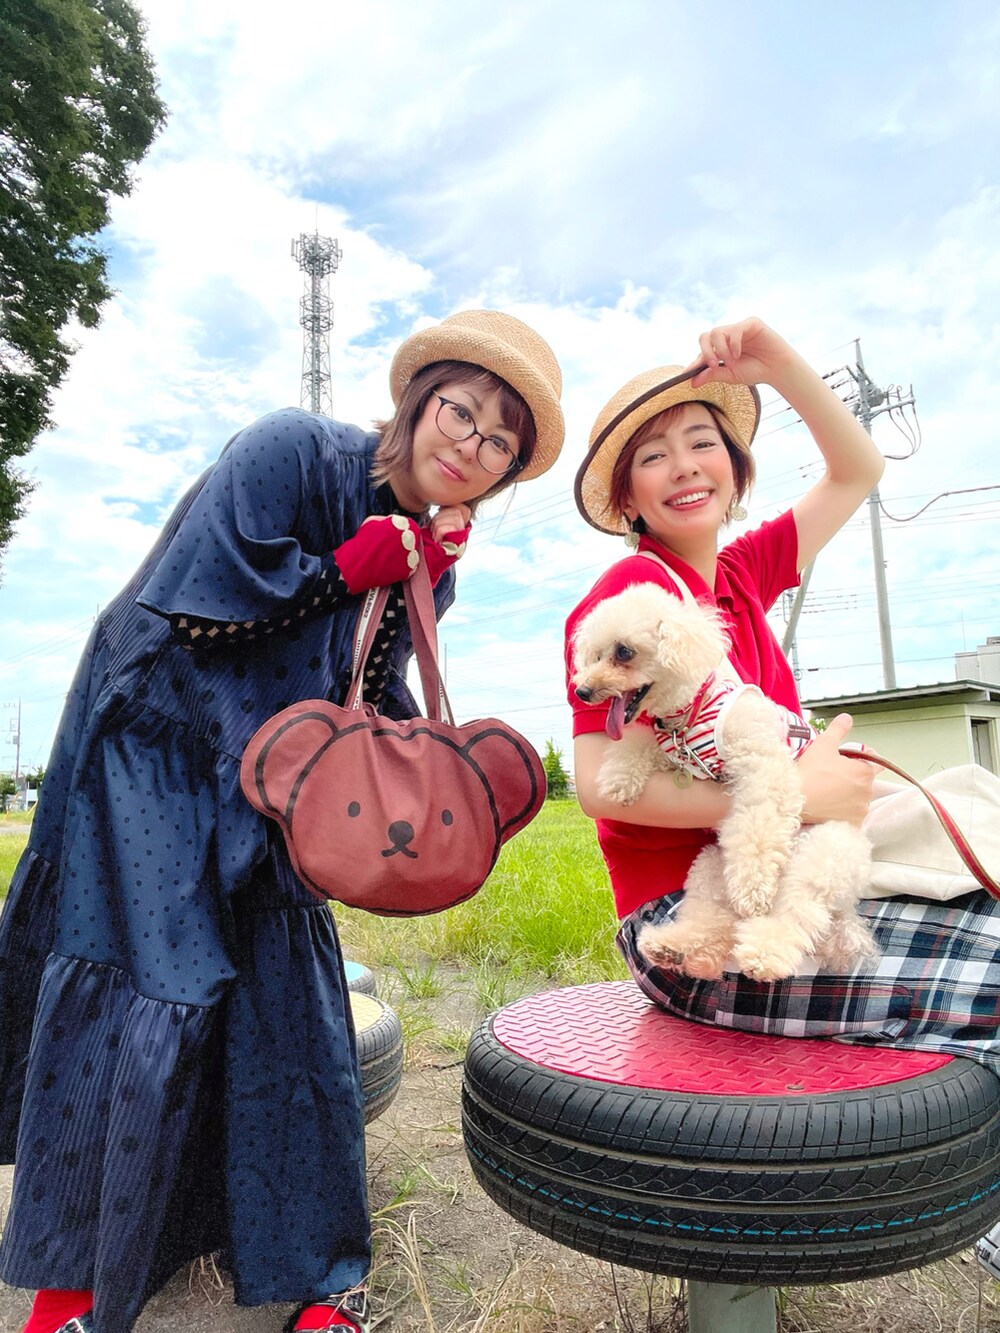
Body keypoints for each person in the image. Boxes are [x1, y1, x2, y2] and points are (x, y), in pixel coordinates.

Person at [0, 309, 564, 1333]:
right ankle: (75, 1290)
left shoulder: (438, 560)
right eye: (461, 411)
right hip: (153, 745)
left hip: (281, 778)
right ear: (417, 397)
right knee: (146, 993)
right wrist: (353, 564)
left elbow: (367, 687)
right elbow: (203, 612)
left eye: (499, 444)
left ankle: (317, 1279)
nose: (469, 446)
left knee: (289, 1004)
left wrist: (437, 781)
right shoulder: (290, 451)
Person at [566, 314, 1000, 1092]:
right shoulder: (622, 610)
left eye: (702, 442)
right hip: (687, 919)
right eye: (653, 457)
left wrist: (778, 367)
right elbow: (599, 785)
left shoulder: (744, 574)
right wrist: (797, 792)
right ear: (627, 499)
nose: (685, 466)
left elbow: (857, 469)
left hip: (807, 875)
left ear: (733, 468)